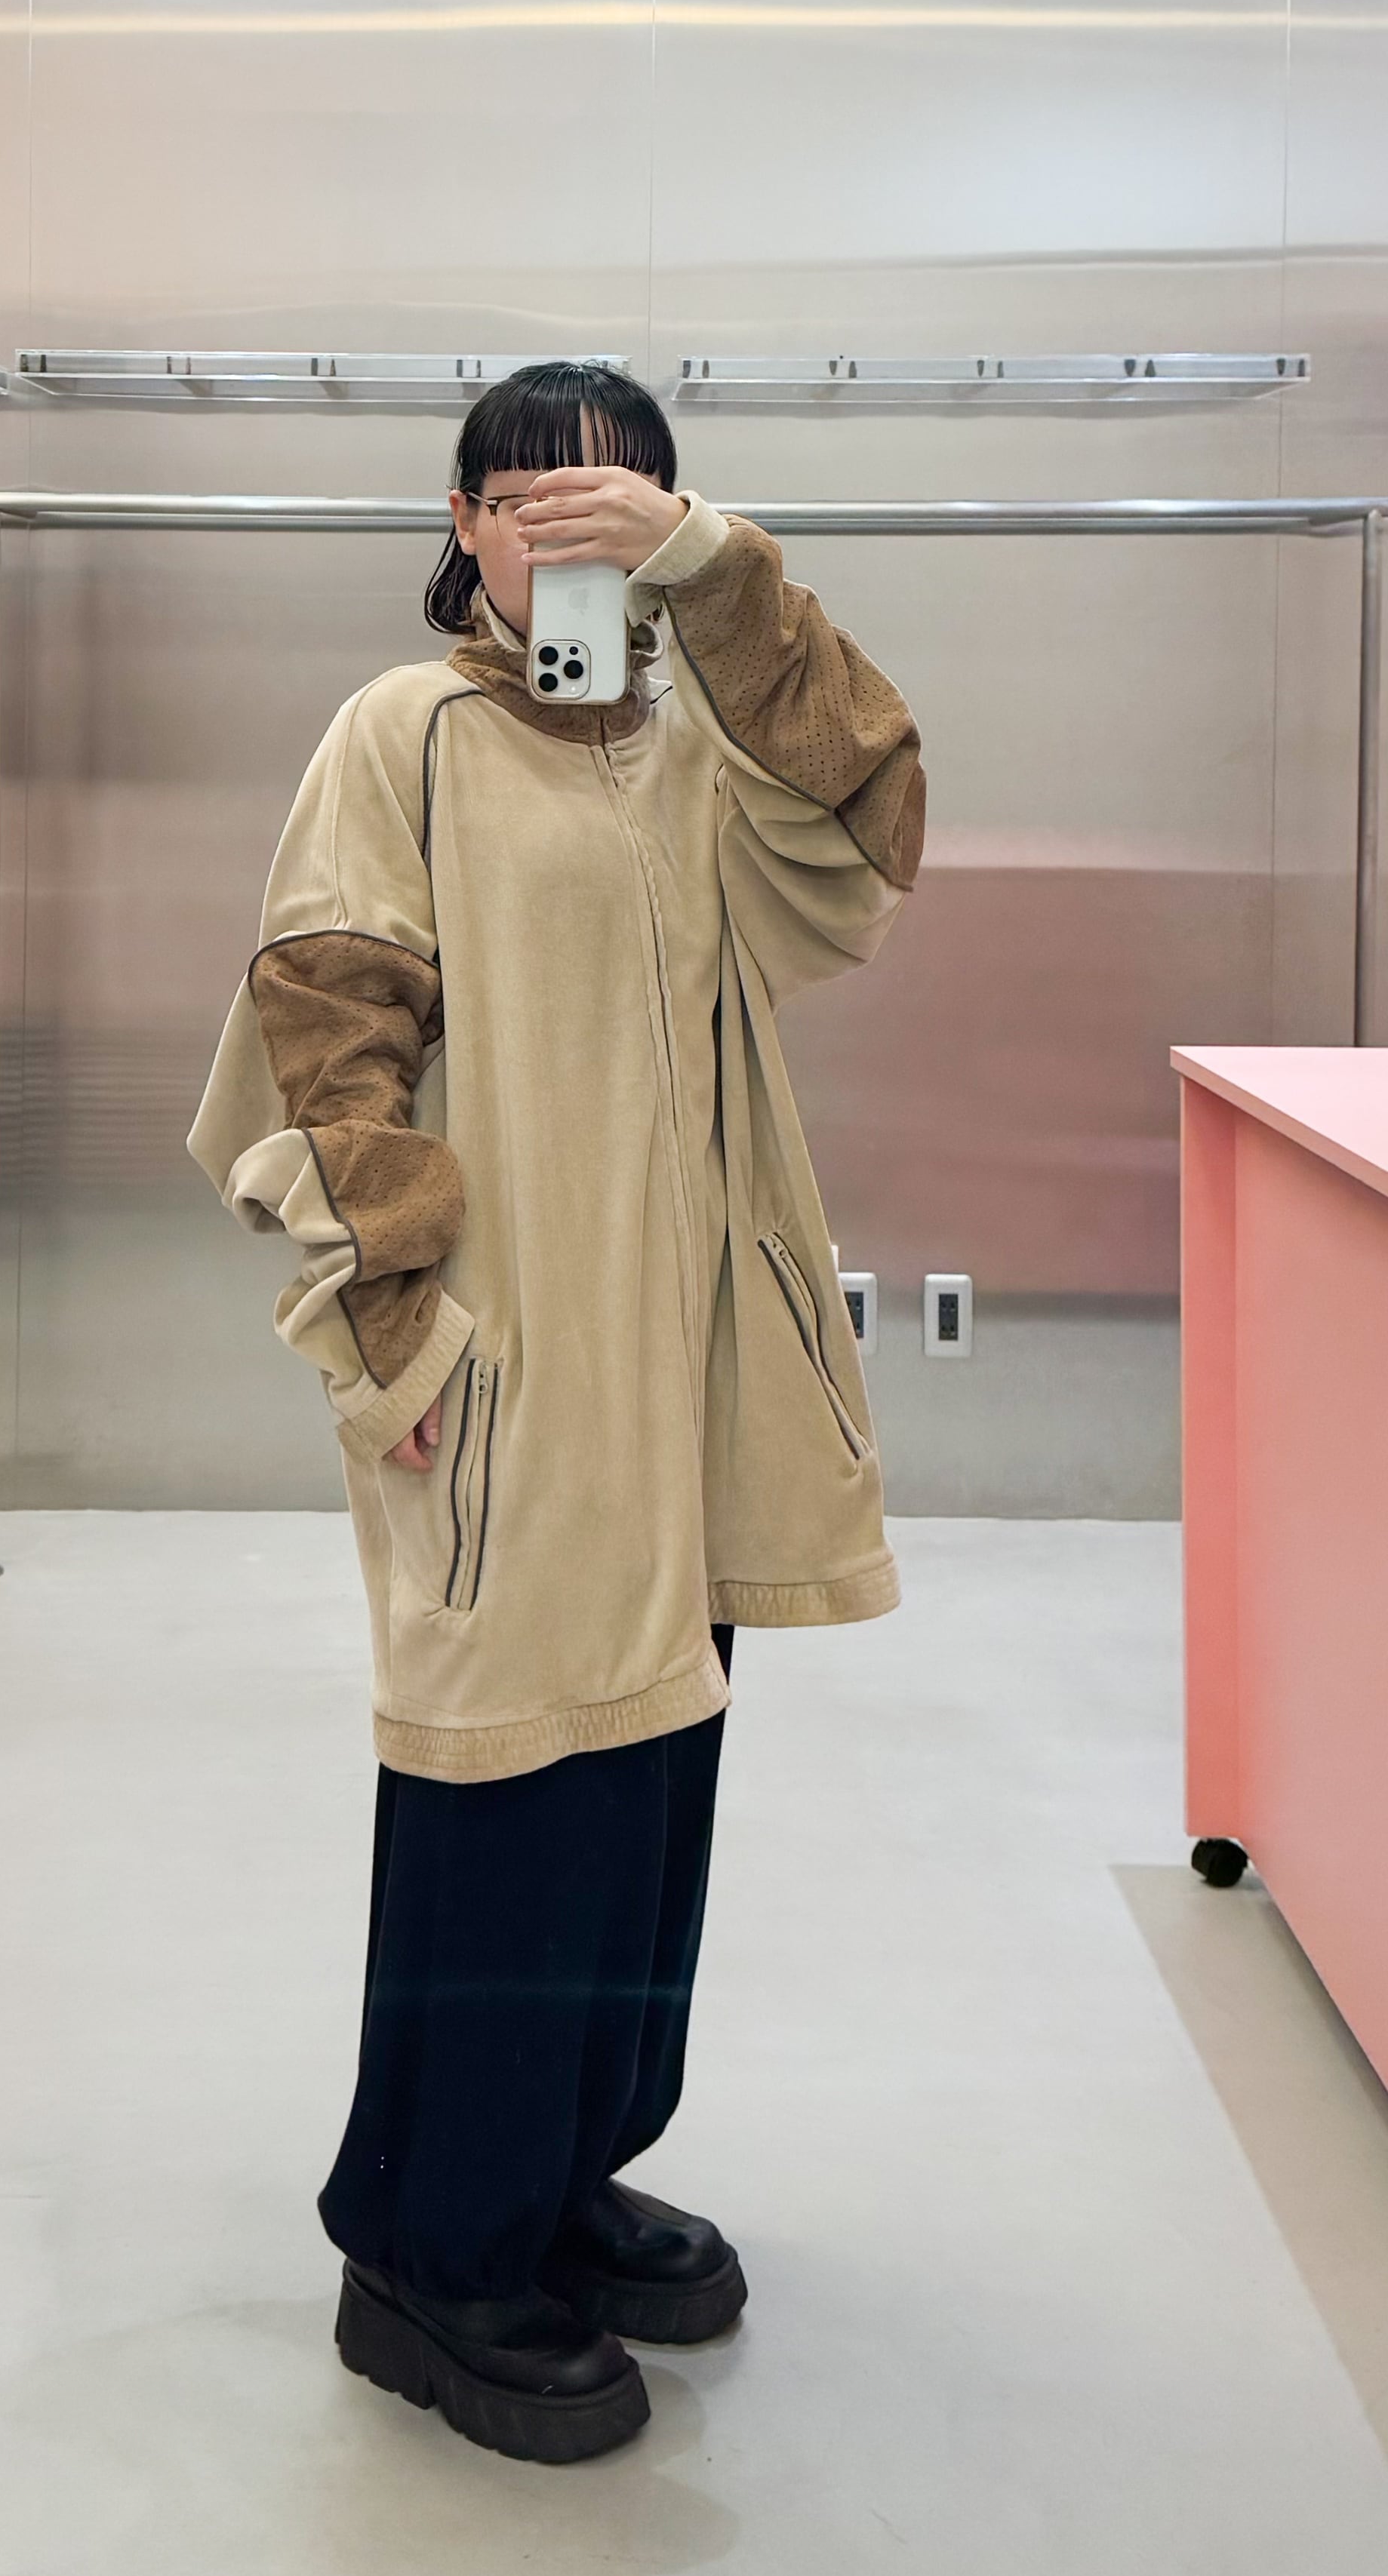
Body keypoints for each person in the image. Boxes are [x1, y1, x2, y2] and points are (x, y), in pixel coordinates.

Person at [189, 360, 924, 2464]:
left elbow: (871, 812)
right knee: (505, 1786)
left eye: (616, 503)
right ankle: (431, 2251)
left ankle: (569, 2169)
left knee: (648, 1779)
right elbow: (330, 1021)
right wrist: (390, 1325)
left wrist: (719, 585)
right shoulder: (401, 736)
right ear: (461, 523)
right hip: (498, 1366)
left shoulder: (705, 749)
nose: (566, 535)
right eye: (527, 501)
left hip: (686, 1381)